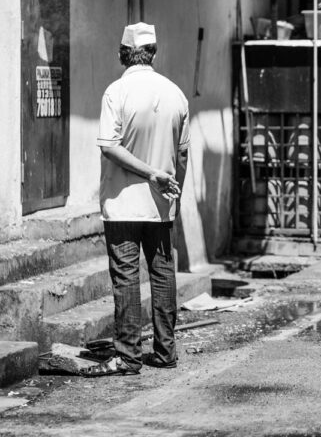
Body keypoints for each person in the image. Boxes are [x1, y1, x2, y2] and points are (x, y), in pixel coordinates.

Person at [82, 22, 190, 377]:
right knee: (162, 275)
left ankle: (128, 356)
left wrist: (147, 175)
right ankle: (165, 351)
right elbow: (183, 155)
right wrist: (173, 190)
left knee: (126, 278)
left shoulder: (117, 92)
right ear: (154, 53)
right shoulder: (176, 94)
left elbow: (109, 146)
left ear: (122, 54)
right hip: (161, 204)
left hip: (123, 204)